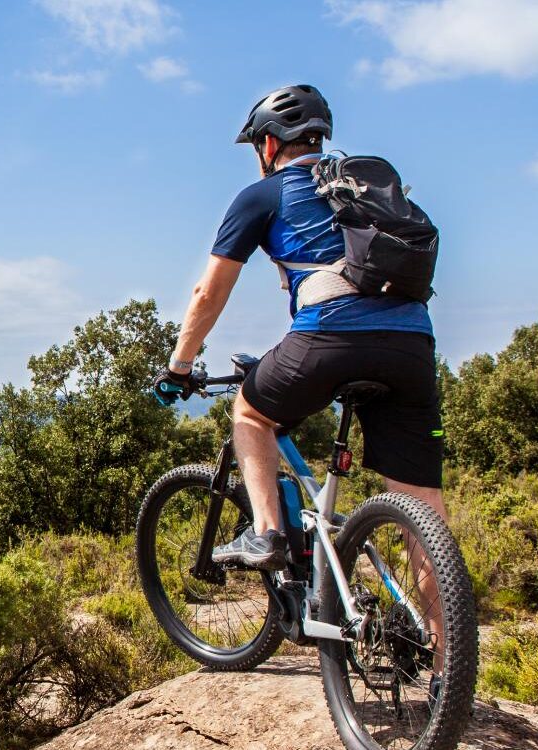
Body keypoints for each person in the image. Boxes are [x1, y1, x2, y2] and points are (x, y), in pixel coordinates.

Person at [150, 84, 444, 572]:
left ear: (268, 145)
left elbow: (208, 293)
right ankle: (443, 645)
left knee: (250, 414)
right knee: (424, 510)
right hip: (413, 342)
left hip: (329, 337)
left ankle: (266, 535)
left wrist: (179, 366)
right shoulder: (364, 192)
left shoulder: (264, 195)